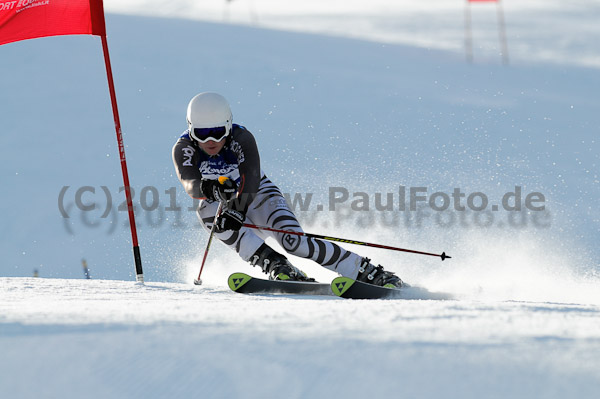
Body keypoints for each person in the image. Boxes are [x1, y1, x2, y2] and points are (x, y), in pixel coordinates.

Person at [172, 92, 403, 287]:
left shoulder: (241, 137)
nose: (210, 141)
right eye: (202, 134)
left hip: (259, 195)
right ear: (191, 130)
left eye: (218, 132)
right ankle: (276, 265)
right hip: (222, 199)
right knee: (207, 214)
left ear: (228, 126)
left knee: (294, 242)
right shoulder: (184, 147)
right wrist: (211, 188)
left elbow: (251, 179)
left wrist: (237, 208)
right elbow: (190, 184)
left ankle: (368, 272)